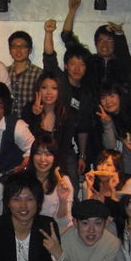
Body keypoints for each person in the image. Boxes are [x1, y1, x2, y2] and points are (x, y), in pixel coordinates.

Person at [43, 19, 96, 184]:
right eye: (73, 63)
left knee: (72, 185)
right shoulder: (59, 81)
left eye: (82, 64)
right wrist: (48, 33)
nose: (77, 68)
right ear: (66, 66)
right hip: (46, 143)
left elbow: (83, 127)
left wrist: (82, 155)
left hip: (67, 148)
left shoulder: (87, 93)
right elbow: (49, 57)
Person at [60, 0, 128, 94]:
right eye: (101, 40)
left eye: (109, 40)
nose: (105, 44)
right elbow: (67, 37)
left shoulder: (122, 64)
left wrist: (119, 33)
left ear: (115, 43)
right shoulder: (89, 61)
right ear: (96, 44)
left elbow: (124, 53)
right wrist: (72, 11)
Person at [22, 71, 77, 183]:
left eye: (54, 88)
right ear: (38, 90)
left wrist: (57, 171)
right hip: (35, 160)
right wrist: (34, 115)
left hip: (59, 161)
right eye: (44, 87)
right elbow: (28, 142)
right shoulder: (29, 109)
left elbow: (64, 147)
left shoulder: (67, 114)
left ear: (60, 91)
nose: (49, 92)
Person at [25, 136, 74, 233]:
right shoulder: (23, 180)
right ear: (32, 156)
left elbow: (64, 223)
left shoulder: (63, 181)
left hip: (56, 233)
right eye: (38, 153)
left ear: (55, 157)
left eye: (48, 154)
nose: (43, 159)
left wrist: (63, 200)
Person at [7, 30, 43, 118]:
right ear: (10, 50)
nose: (18, 50)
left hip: (30, 122)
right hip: (8, 123)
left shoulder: (39, 73)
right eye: (14, 46)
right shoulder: (4, 72)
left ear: (30, 50)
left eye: (23, 46)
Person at [98, 81, 131, 153]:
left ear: (120, 96)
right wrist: (107, 124)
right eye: (103, 98)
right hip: (128, 157)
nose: (108, 102)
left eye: (112, 96)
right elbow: (110, 147)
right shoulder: (108, 117)